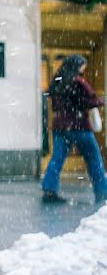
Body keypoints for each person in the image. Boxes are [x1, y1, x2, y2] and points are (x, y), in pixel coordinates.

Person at [41, 54, 107, 204]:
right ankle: (102, 191)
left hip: (60, 126)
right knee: (93, 159)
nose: (84, 68)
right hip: (79, 126)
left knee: (56, 159)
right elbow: (89, 101)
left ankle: (49, 190)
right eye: (83, 65)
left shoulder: (57, 81)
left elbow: (54, 101)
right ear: (77, 65)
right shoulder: (78, 82)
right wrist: (101, 101)